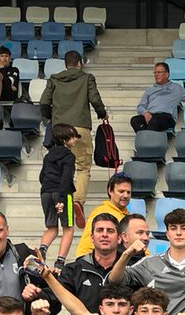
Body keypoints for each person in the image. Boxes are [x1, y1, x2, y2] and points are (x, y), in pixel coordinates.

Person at [109, 207, 185, 315]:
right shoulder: (149, 263)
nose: (179, 233)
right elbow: (114, 280)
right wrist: (126, 254)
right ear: (167, 234)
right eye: (173, 228)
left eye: (184, 228)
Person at [39, 49, 108, 203]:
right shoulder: (87, 78)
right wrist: (102, 113)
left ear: (65, 64)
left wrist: (50, 116)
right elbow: (95, 99)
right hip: (80, 128)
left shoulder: (54, 79)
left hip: (59, 130)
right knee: (82, 168)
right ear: (79, 64)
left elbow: (43, 102)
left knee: (61, 166)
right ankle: (77, 200)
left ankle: (61, 200)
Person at [131, 61, 185, 133]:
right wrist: (146, 113)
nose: (156, 75)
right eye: (155, 72)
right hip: (151, 116)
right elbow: (140, 107)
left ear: (167, 74)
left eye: (159, 72)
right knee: (135, 120)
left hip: (166, 117)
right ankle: (145, 142)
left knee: (155, 121)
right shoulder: (150, 90)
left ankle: (145, 146)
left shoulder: (176, 88)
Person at [38, 124, 80, 269]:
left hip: (45, 193)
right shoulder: (69, 156)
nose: (75, 139)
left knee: (51, 227)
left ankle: (42, 249)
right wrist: (62, 199)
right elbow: (66, 178)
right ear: (64, 139)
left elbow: (42, 176)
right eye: (73, 136)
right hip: (62, 193)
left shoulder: (48, 156)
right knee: (68, 228)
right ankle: (60, 261)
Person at [73, 172, 132, 258]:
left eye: (128, 192)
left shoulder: (127, 215)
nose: (126, 195)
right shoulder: (101, 212)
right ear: (110, 191)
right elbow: (88, 245)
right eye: (121, 191)